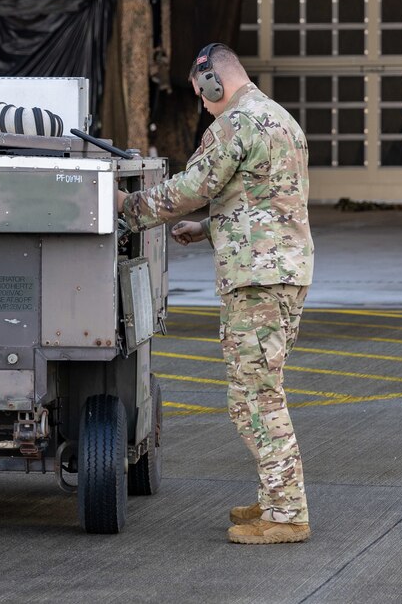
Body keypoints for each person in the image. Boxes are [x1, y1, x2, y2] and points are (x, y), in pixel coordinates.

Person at [116, 43, 315, 545]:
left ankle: (288, 513)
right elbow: (270, 202)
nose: (202, 106)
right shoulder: (280, 119)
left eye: (201, 96)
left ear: (212, 84)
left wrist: (128, 205)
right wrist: (206, 229)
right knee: (259, 391)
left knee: (253, 398)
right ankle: (275, 497)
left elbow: (191, 186)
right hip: (283, 273)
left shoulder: (234, 124)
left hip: (256, 280)